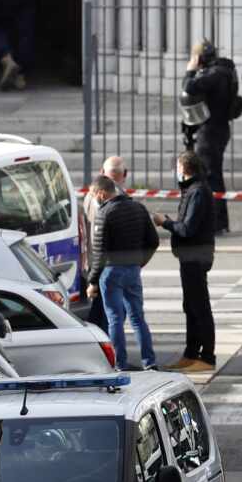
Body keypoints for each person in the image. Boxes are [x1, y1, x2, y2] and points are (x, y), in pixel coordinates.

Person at [85, 176, 160, 371]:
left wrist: (92, 281)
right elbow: (153, 241)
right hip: (133, 270)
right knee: (137, 318)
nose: (94, 199)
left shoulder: (104, 213)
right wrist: (139, 263)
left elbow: (100, 252)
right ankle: (149, 362)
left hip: (111, 272)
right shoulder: (139, 208)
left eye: (94, 195)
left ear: (101, 193)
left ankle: (119, 363)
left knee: (115, 319)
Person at [155, 151, 217, 371]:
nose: (177, 172)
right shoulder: (191, 190)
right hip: (189, 257)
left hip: (196, 257)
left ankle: (207, 356)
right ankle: (191, 353)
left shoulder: (198, 192)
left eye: (178, 168)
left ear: (185, 169)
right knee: (190, 305)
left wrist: (166, 223)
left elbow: (187, 228)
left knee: (200, 306)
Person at [182, 40, 237, 235]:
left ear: (198, 58)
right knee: (214, 176)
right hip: (220, 128)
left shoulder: (214, 75)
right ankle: (220, 222)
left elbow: (188, 87)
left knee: (210, 178)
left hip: (210, 131)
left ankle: (216, 223)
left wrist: (190, 70)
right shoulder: (225, 70)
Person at [81, 156, 131, 335]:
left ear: (102, 173)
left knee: (98, 312)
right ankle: (109, 353)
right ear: (125, 175)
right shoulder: (120, 199)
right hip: (112, 265)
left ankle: (97, 347)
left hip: (94, 263)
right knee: (114, 314)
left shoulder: (89, 196)